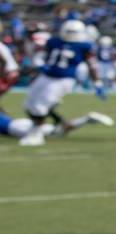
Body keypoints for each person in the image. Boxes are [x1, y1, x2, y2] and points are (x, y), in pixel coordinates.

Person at [19, 19, 106, 147]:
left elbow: (92, 65)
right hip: (46, 76)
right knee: (28, 104)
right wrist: (41, 65)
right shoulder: (54, 41)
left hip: (63, 80)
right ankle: (48, 127)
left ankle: (37, 135)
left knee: (40, 106)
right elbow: (41, 56)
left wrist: (97, 83)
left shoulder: (84, 46)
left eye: (73, 32)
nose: (70, 34)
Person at [1, 109, 113, 140]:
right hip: (17, 123)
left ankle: (87, 119)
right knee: (57, 131)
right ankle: (86, 119)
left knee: (57, 132)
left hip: (14, 128)